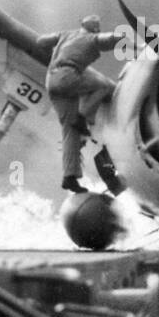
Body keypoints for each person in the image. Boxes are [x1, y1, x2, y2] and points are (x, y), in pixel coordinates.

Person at [36, 15, 119, 192]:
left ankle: (69, 177)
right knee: (103, 86)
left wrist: (57, 54)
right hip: (68, 77)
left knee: (70, 132)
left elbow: (41, 41)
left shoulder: (65, 34)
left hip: (51, 80)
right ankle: (83, 117)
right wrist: (128, 39)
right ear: (95, 29)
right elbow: (110, 39)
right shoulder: (92, 38)